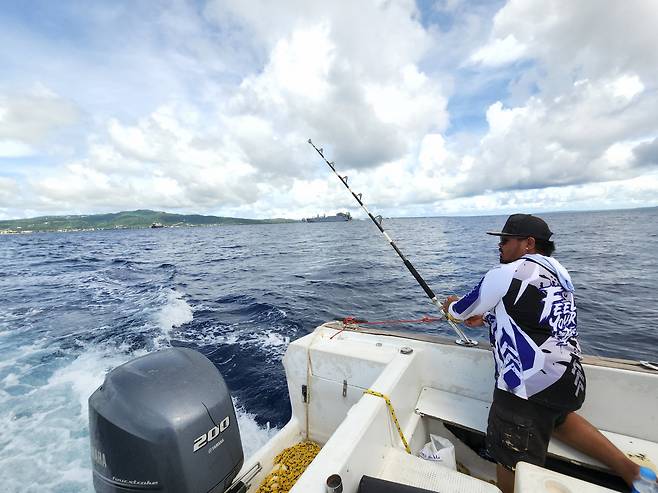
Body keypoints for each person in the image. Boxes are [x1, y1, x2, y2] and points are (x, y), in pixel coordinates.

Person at [442, 213, 641, 493]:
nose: (500, 245)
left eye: (506, 240)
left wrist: (451, 306)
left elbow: (461, 310)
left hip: (525, 389)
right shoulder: (559, 273)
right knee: (558, 419)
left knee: (510, 457)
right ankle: (632, 471)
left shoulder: (504, 273)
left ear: (529, 243)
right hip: (566, 378)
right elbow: (535, 319)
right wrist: (487, 318)